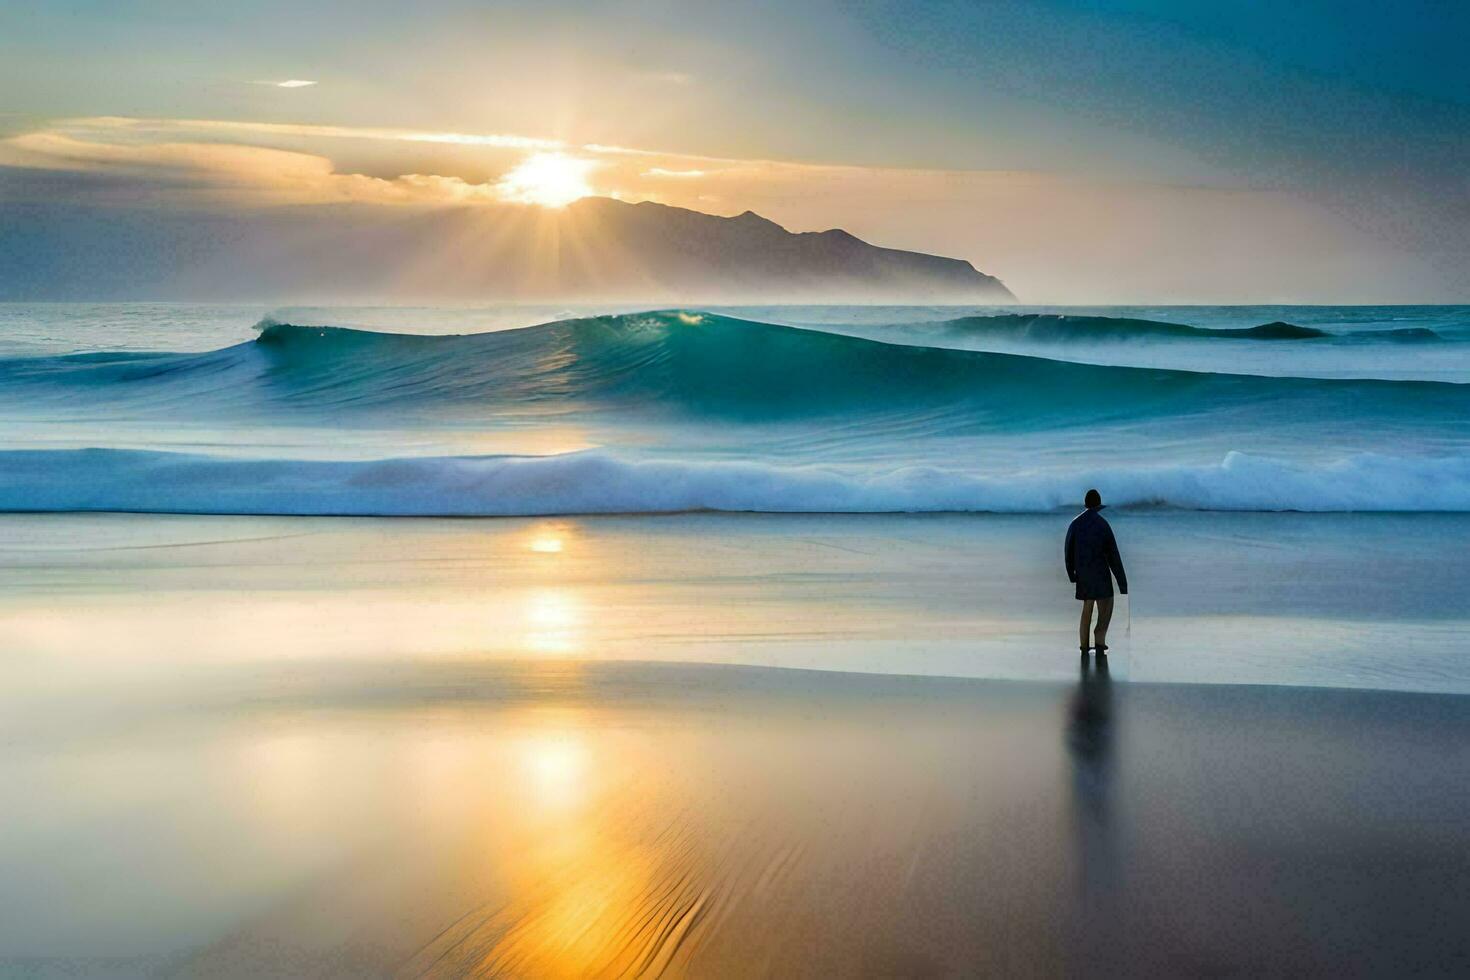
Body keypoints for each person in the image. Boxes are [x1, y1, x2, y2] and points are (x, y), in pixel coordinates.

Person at [1064, 488, 1127, 654]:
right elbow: (1114, 556)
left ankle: (1084, 645)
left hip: (1083, 574)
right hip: (1101, 574)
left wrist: (1072, 574)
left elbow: (1067, 552)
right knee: (1105, 605)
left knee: (1087, 607)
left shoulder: (1075, 524)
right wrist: (1122, 584)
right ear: (1098, 506)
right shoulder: (1103, 524)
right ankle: (1099, 640)